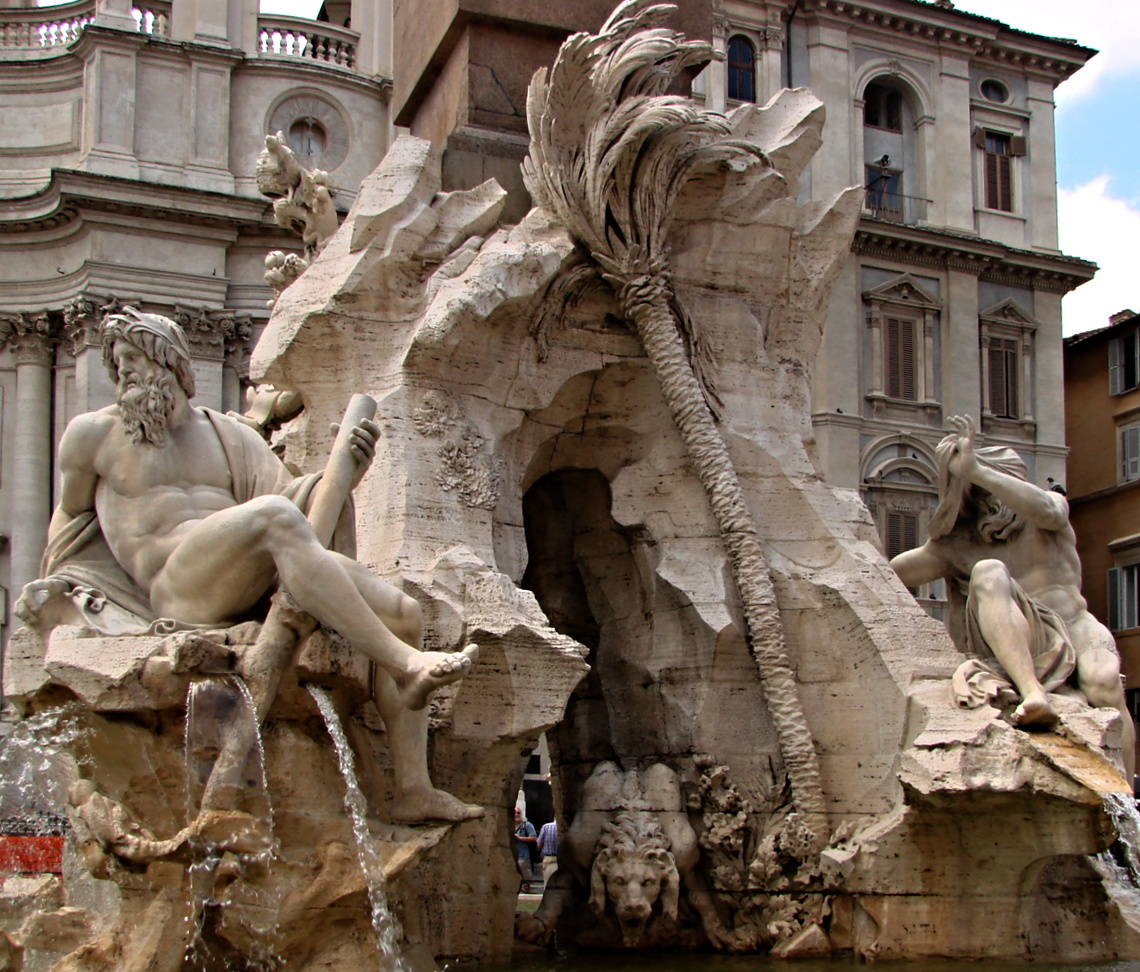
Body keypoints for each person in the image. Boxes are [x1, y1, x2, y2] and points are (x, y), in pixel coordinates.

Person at [24, 308, 482, 823]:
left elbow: (302, 518)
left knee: (402, 611)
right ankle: (404, 663)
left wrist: (344, 474)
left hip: (244, 575)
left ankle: (413, 789)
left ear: (170, 361)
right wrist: (59, 586)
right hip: (175, 587)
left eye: (133, 357)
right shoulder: (93, 433)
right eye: (117, 362)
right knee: (273, 516)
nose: (123, 371)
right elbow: (71, 518)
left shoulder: (228, 436)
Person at [891, 414, 1134, 776]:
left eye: (990, 485)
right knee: (988, 570)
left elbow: (1047, 509)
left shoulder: (1046, 511)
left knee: (1104, 683)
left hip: (1074, 624)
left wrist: (977, 470)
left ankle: (1126, 789)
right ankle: (1033, 693)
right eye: (973, 489)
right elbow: (891, 573)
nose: (987, 499)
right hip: (1021, 635)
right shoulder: (957, 544)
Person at [513, 806, 537, 892]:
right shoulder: (508, 825)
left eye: (518, 813)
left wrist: (520, 838)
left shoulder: (527, 825)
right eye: (515, 813)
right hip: (513, 855)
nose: (516, 814)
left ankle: (526, 888)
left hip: (523, 855)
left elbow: (534, 838)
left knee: (525, 874)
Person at [537, 818, 558, 886]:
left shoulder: (546, 827)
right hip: (563, 858)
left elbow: (539, 844)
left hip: (549, 858)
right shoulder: (567, 827)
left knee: (547, 882)